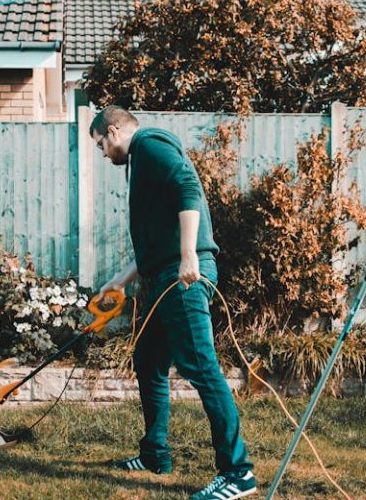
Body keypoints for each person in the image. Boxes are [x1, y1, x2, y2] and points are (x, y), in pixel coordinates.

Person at [90, 106, 256, 500]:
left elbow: (187, 187)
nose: (101, 153)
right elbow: (154, 244)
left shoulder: (149, 145)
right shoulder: (141, 160)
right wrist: (119, 280)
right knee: (148, 359)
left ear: (113, 132)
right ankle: (154, 455)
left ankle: (238, 473)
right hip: (166, 276)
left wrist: (188, 254)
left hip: (183, 279)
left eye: (100, 145)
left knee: (202, 368)